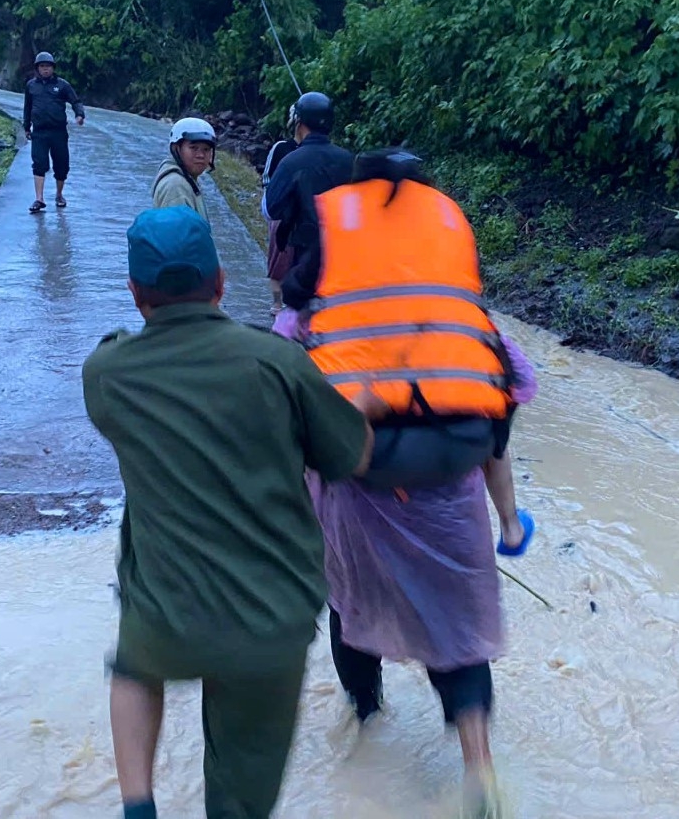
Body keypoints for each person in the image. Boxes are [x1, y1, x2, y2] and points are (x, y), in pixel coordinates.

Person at [81, 205, 386, 819]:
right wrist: (363, 406)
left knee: (135, 666)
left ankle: (138, 804)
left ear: (135, 294)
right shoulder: (275, 362)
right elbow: (352, 459)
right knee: (241, 800)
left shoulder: (106, 375)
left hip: (166, 613)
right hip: (268, 621)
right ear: (220, 282)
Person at [274, 149, 540, 815]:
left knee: (348, 603)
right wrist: (509, 522)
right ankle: (478, 767)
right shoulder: (459, 304)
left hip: (358, 483)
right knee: (455, 629)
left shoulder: (323, 285)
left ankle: (364, 725)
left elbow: (284, 386)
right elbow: (514, 390)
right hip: (449, 483)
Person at [262, 91, 355, 311]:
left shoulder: (291, 161)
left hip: (304, 259)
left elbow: (271, 209)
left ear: (298, 122)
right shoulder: (350, 161)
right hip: (344, 258)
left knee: (302, 321)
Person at [23, 51, 85, 213]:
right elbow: (27, 107)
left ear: (53, 68)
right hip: (39, 132)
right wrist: (26, 126)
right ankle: (39, 199)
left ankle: (59, 194)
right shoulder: (31, 86)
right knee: (39, 164)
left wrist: (79, 115)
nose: (45, 69)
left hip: (58, 132)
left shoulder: (62, 85)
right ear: (37, 68)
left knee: (61, 165)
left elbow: (75, 101)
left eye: (48, 66)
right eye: (42, 66)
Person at [261, 135, 298, 316]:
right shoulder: (281, 148)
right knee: (278, 261)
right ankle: (277, 303)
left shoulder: (318, 152)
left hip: (306, 216)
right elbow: (267, 180)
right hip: (282, 213)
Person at [151, 117, 216, 220]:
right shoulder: (176, 186)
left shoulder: (186, 179)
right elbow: (176, 234)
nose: (201, 155)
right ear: (176, 148)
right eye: (194, 148)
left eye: (206, 149)